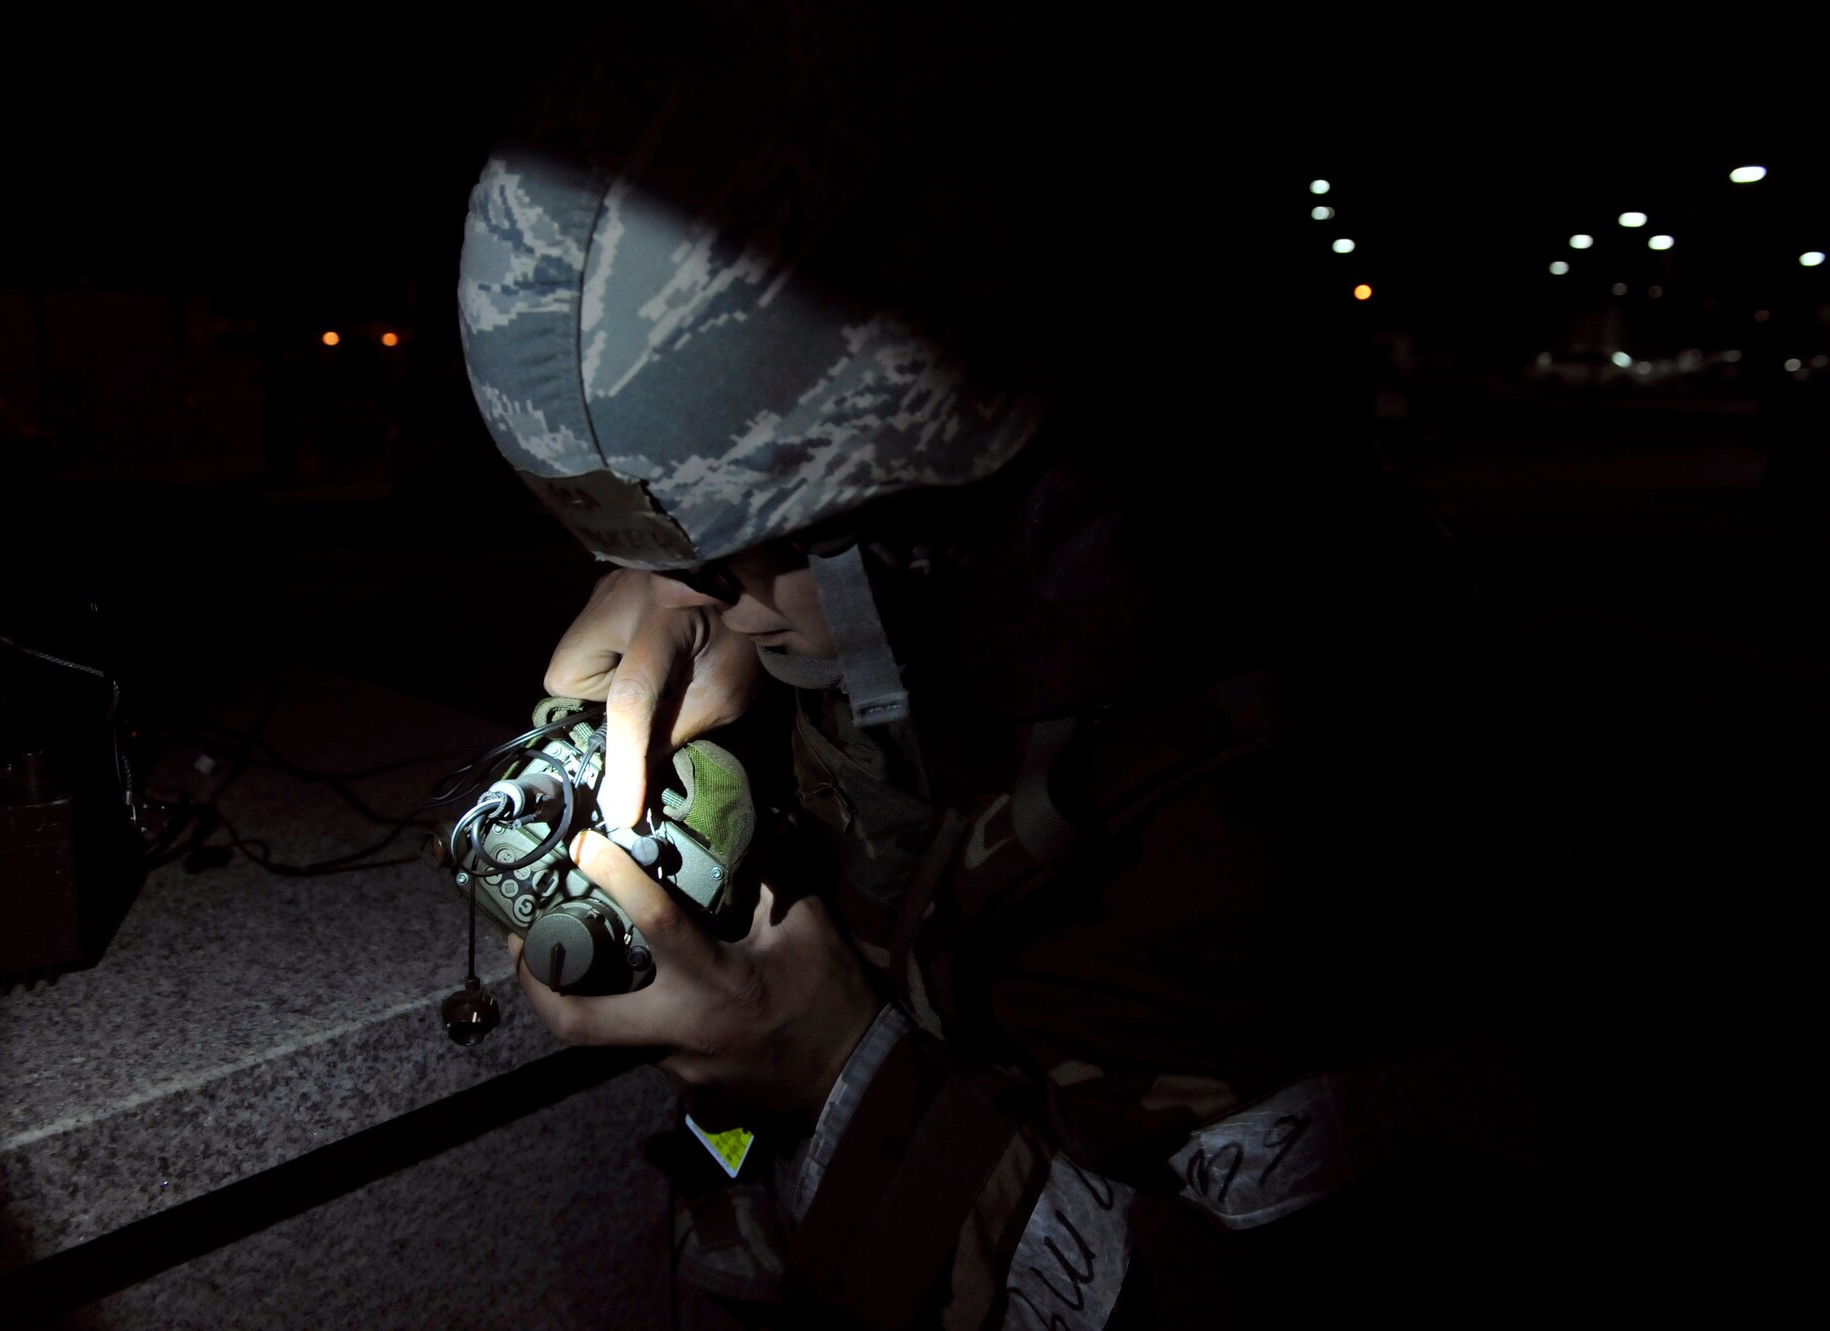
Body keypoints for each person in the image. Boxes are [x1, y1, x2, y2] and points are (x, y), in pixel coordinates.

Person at [459, 13, 1559, 1326]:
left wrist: (823, 1066)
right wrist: (708, 590)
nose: (715, 599)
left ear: (946, 469)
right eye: (697, 562)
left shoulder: (1280, 824)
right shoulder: (971, 586)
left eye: (761, 546)